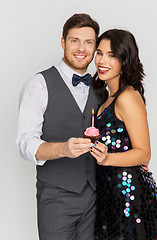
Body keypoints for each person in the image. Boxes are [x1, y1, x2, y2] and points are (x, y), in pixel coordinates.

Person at [16, 13, 101, 240]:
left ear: (95, 48)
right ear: (63, 42)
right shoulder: (38, 85)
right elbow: (25, 142)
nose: (81, 48)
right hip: (55, 197)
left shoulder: (102, 88)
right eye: (75, 41)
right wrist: (63, 149)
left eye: (88, 42)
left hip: (96, 196)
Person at [91, 29, 157, 239]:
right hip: (108, 192)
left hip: (128, 194)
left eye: (111, 55)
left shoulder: (127, 97)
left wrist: (107, 158)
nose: (102, 60)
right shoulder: (106, 97)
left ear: (125, 60)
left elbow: (144, 153)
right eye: (99, 53)